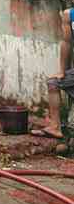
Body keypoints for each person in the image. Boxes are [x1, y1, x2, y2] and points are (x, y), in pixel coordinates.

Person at [33, 8, 73, 139]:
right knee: (53, 83)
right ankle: (55, 127)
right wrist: (62, 71)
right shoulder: (69, 15)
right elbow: (66, 43)